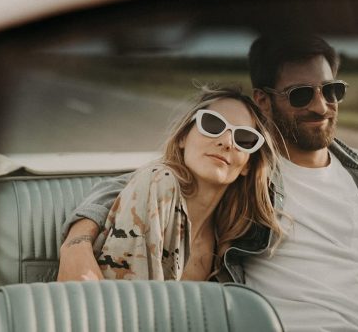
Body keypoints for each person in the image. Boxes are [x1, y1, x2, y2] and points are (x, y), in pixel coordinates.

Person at [58, 33, 358, 332]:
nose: (321, 106)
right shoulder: (247, 166)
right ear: (264, 99)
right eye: (300, 95)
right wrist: (77, 245)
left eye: (332, 90)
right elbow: (148, 180)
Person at [93, 86, 282, 281]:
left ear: (247, 166)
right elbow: (130, 302)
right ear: (183, 137)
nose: (226, 141)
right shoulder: (158, 182)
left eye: (244, 138)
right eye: (212, 124)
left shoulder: (231, 243)